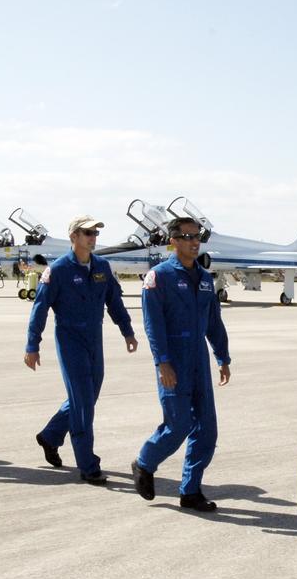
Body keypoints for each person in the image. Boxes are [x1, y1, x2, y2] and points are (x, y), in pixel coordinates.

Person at [25, 216, 138, 484]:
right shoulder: (59, 270)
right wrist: (33, 345)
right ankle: (88, 465)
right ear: (73, 236)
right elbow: (39, 308)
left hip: (93, 338)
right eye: (87, 232)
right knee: (83, 403)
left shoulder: (102, 266)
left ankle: (51, 435)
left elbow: (115, 302)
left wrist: (127, 331)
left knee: (88, 396)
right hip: (69, 337)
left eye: (95, 233)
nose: (92, 238)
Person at [131, 216, 230, 512]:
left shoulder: (203, 278)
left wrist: (222, 356)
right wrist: (162, 362)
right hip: (173, 357)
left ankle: (190, 491)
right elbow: (153, 324)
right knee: (179, 424)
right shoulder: (159, 277)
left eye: (196, 235)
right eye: (186, 236)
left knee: (207, 430)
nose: (193, 241)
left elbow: (214, 321)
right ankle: (145, 462)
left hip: (198, 356)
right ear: (173, 241)